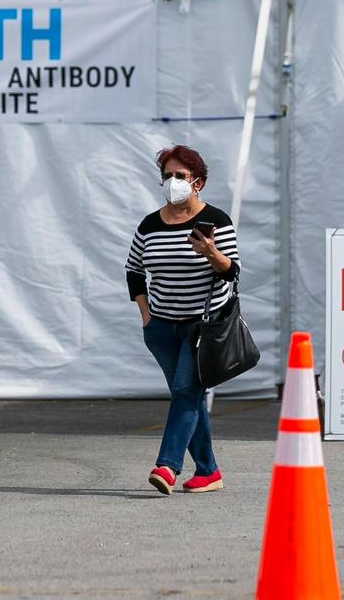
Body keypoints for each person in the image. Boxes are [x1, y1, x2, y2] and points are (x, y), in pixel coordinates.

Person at [124, 145, 240, 495]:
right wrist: (146, 316)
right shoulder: (150, 224)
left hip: (202, 328)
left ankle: (167, 466)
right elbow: (133, 271)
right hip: (161, 328)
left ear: (198, 183)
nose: (172, 182)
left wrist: (211, 252)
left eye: (180, 176)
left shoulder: (217, 221)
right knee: (187, 395)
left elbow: (231, 271)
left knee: (187, 391)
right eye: (167, 176)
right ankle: (208, 471)